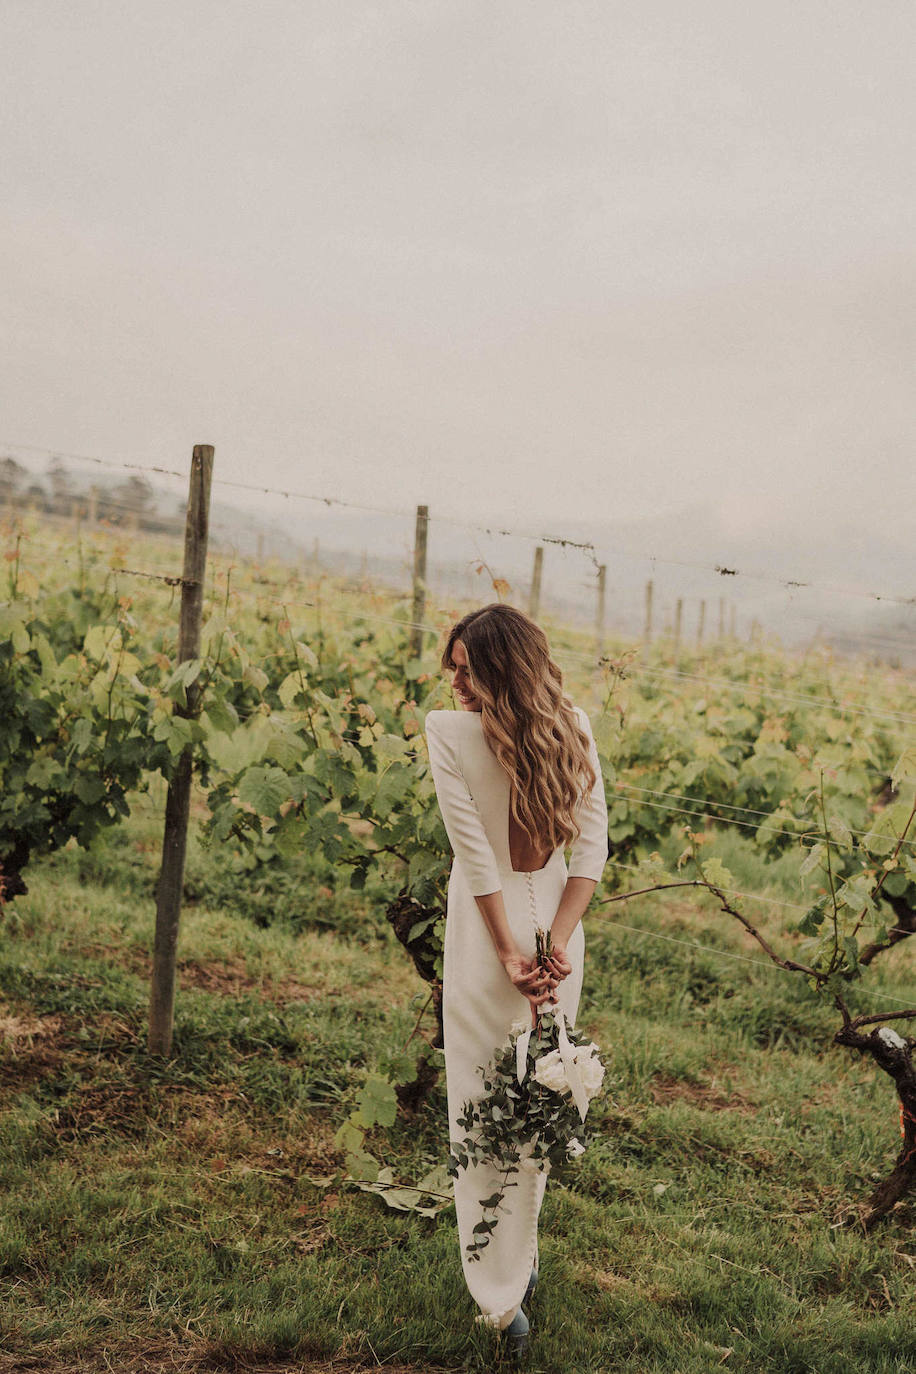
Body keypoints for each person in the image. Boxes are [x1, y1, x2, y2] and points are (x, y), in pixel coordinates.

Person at [424, 603, 609, 1353]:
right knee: (537, 1100)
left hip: (487, 935)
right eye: (454, 667)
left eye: (467, 668)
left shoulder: (446, 735)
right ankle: (514, 1270)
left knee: (482, 1106)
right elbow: (590, 851)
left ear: (501, 669)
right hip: (552, 934)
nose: (455, 681)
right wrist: (555, 944)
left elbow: (476, 858)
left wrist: (512, 954)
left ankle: (500, 1296)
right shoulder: (577, 726)